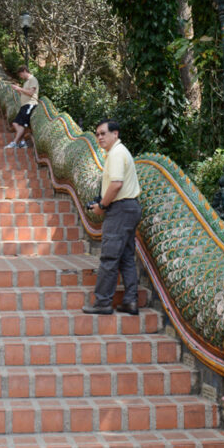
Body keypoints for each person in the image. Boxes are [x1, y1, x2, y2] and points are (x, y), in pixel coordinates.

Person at [82, 118, 142, 315]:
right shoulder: (119, 152)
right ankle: (130, 301)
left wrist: (102, 206)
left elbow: (116, 184)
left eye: (103, 133)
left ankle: (102, 302)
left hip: (120, 209)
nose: (99, 137)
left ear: (115, 134)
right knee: (125, 257)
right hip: (130, 208)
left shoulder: (116, 154)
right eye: (97, 134)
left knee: (109, 257)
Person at [6, 64, 39, 148]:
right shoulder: (26, 82)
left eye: (20, 74)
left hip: (30, 104)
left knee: (22, 125)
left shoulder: (33, 79)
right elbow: (24, 93)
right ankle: (23, 142)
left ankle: (15, 142)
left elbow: (31, 93)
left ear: (24, 71)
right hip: (24, 105)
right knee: (15, 123)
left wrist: (19, 88)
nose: (20, 77)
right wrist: (18, 90)